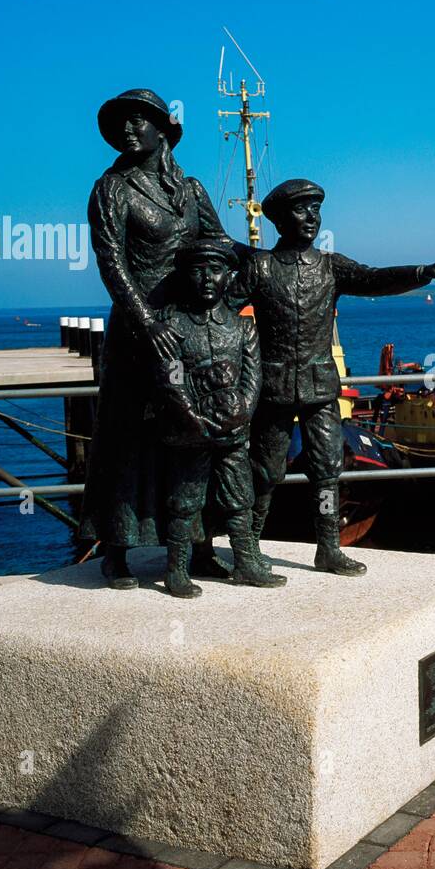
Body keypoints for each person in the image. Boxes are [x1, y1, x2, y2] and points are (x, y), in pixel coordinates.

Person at [235, 177, 435, 578]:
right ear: (279, 219)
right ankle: (249, 550)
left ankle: (328, 547)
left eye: (316, 210)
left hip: (321, 387)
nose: (311, 217)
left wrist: (425, 272)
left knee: (327, 469)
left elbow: (376, 278)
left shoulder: (331, 266)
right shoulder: (260, 267)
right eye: (301, 209)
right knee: (265, 471)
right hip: (272, 387)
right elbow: (221, 308)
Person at [80, 88, 234, 589]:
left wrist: (273, 259)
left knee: (193, 438)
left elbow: (221, 246)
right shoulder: (111, 188)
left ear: (164, 129)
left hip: (188, 330)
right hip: (135, 330)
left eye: (140, 119)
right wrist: (147, 321)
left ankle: (198, 546)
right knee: (126, 439)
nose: (129, 128)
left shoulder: (190, 190)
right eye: (122, 121)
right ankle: (117, 549)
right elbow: (112, 262)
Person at [153, 235, 274, 597]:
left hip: (233, 429)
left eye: (216, 270)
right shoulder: (172, 325)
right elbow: (169, 375)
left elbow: (254, 377)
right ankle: (176, 568)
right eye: (198, 270)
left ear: (228, 276)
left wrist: (242, 412)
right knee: (185, 501)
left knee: (240, 496)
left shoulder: (242, 327)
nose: (207, 278)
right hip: (189, 430)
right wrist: (191, 415)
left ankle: (247, 561)